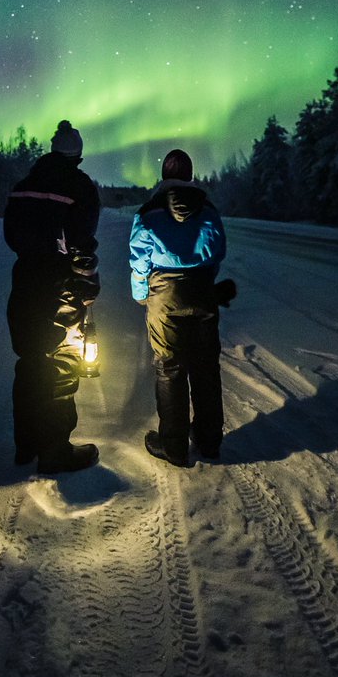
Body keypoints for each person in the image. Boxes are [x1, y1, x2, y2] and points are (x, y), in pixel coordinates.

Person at [3, 120, 101, 473]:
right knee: (62, 361)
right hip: (60, 284)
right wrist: (88, 282)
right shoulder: (80, 186)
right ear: (77, 154)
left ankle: (26, 445)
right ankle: (56, 450)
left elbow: (12, 236)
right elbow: (82, 244)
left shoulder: (23, 187)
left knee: (31, 359)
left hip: (25, 279)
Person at [129, 149, 232, 468]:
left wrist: (141, 294)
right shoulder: (209, 211)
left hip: (164, 295)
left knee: (170, 367)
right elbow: (218, 252)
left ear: (164, 176)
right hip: (202, 290)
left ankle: (173, 446)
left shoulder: (149, 212)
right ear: (190, 176)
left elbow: (139, 261)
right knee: (205, 367)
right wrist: (204, 279)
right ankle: (209, 441)